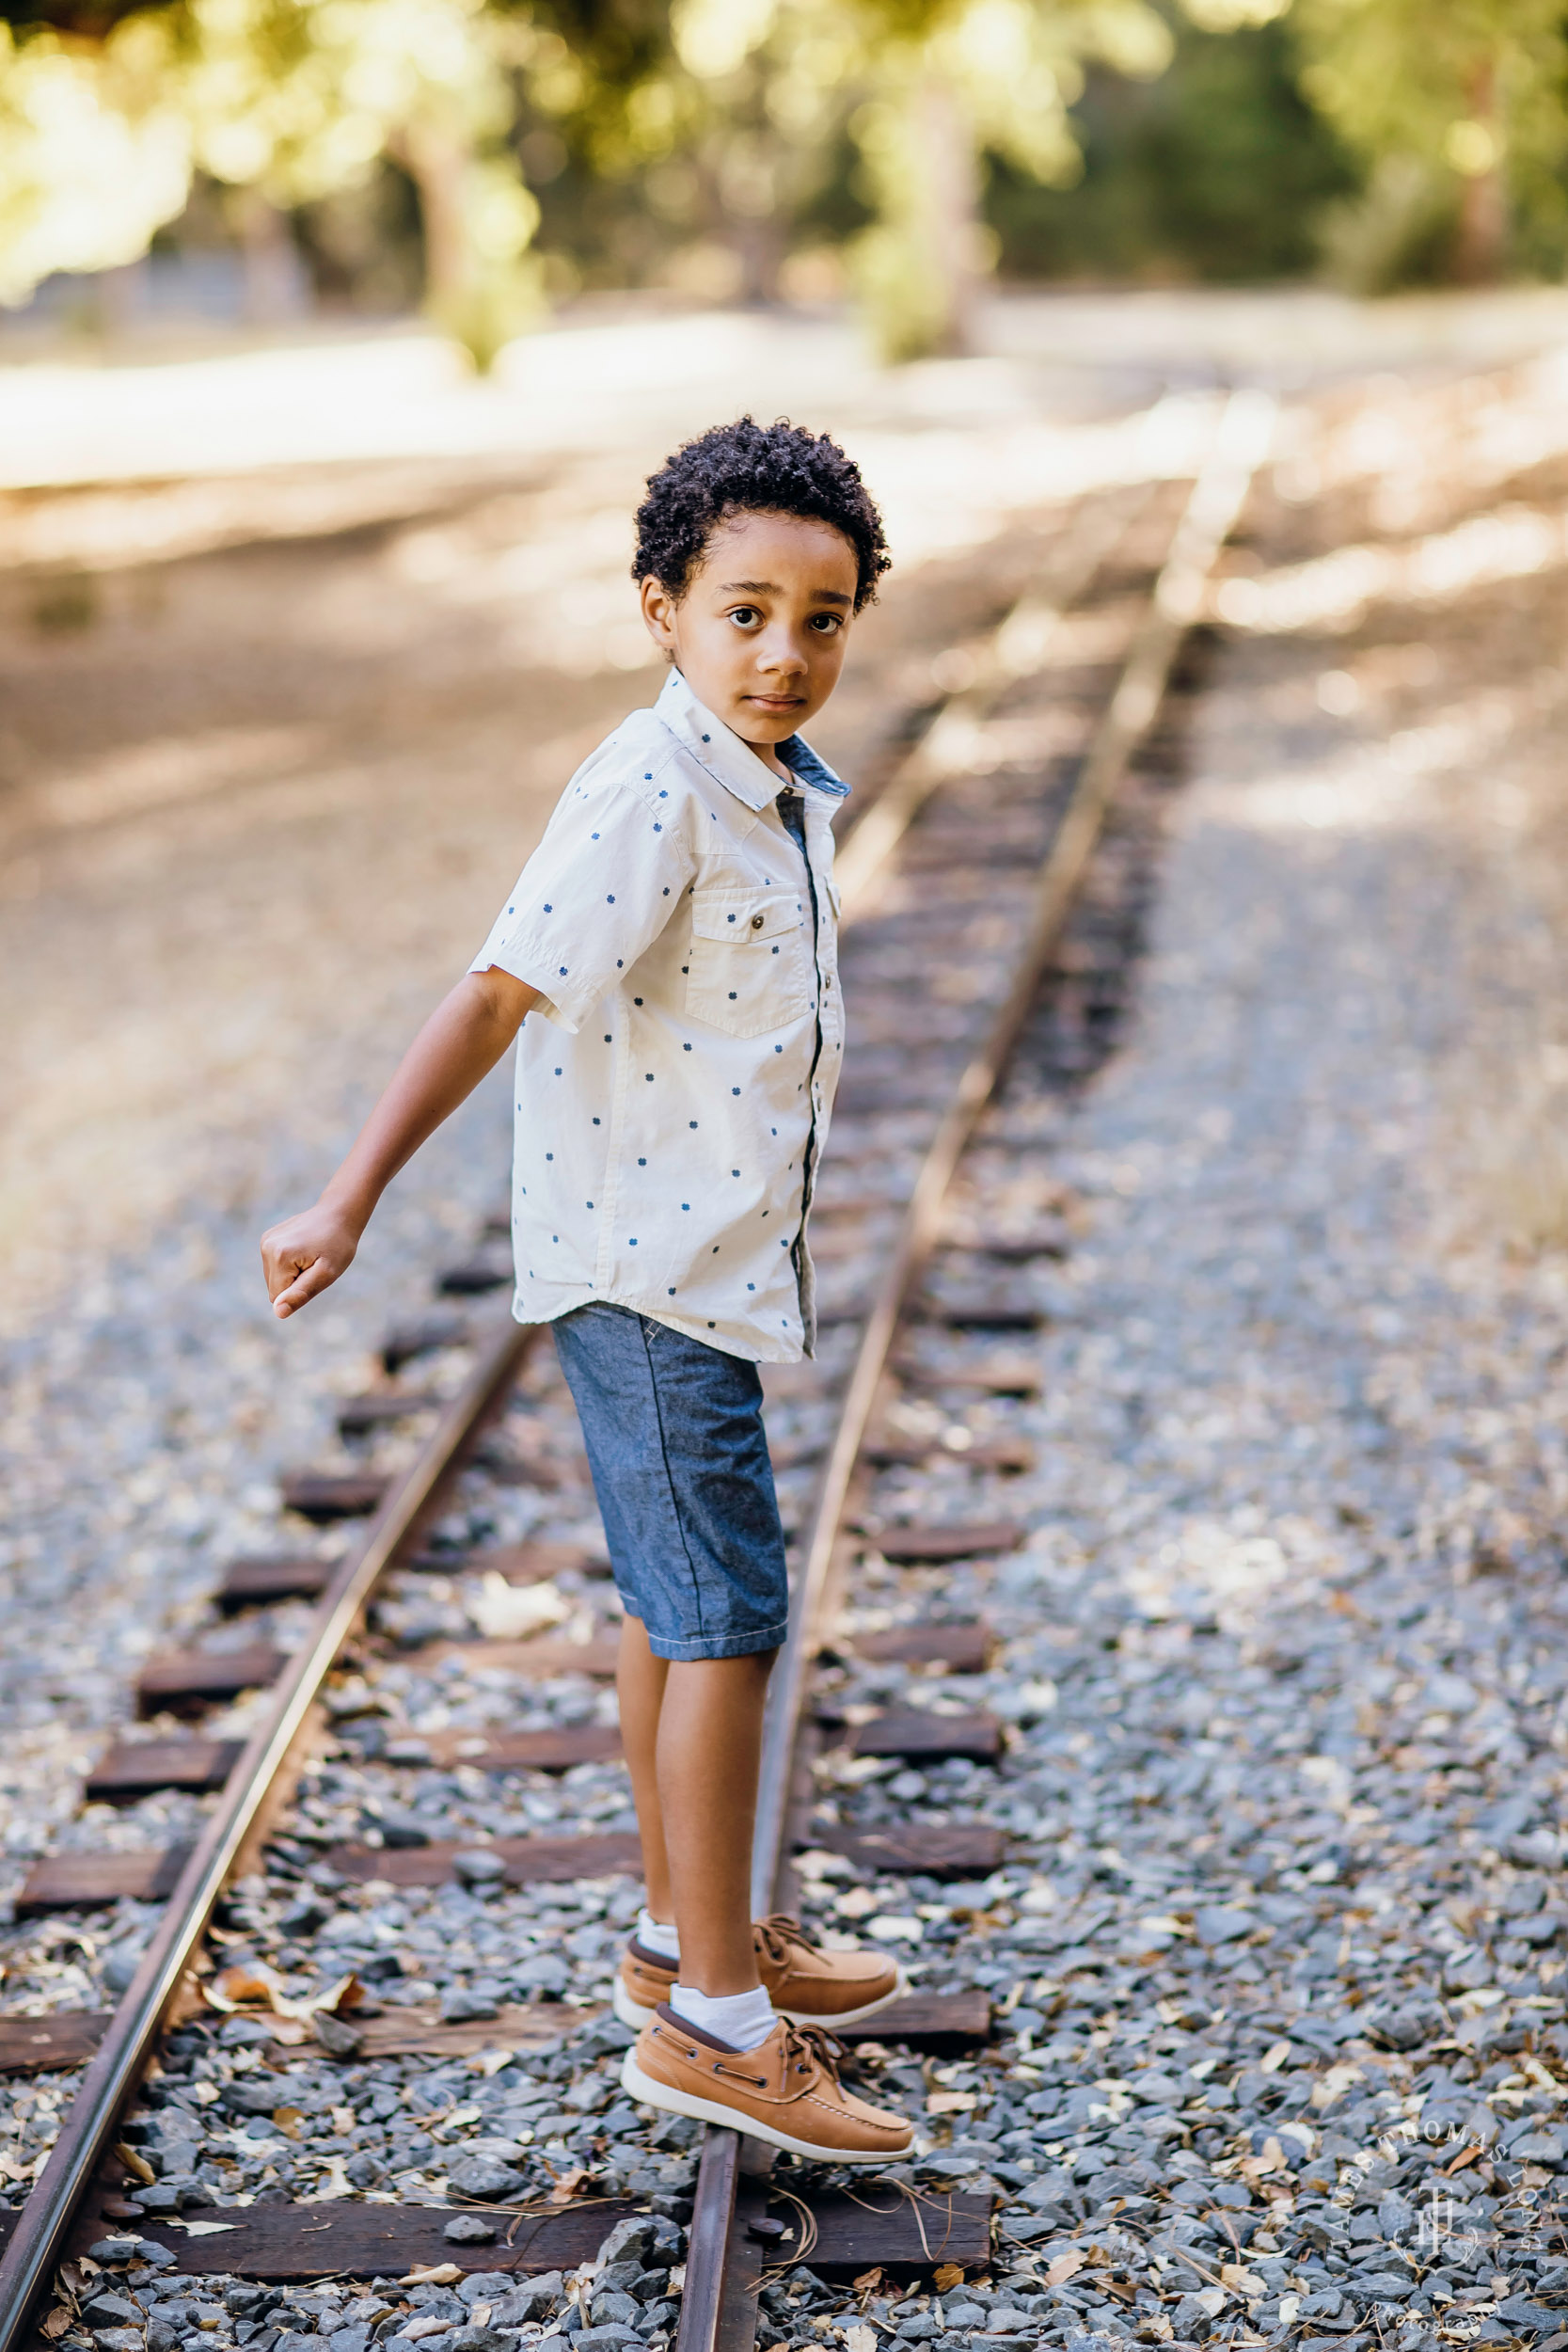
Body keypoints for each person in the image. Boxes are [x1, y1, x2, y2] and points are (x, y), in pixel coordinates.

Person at [261, 418, 915, 2164]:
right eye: (748, 613)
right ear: (662, 611)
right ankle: (716, 2019)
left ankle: (677, 1933)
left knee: (667, 1597)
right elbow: (495, 991)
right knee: (726, 1618)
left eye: (828, 618)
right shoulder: (651, 788)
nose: (789, 653)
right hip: (642, 1268)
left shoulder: (761, 785)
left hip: (688, 1261)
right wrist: (351, 1192)